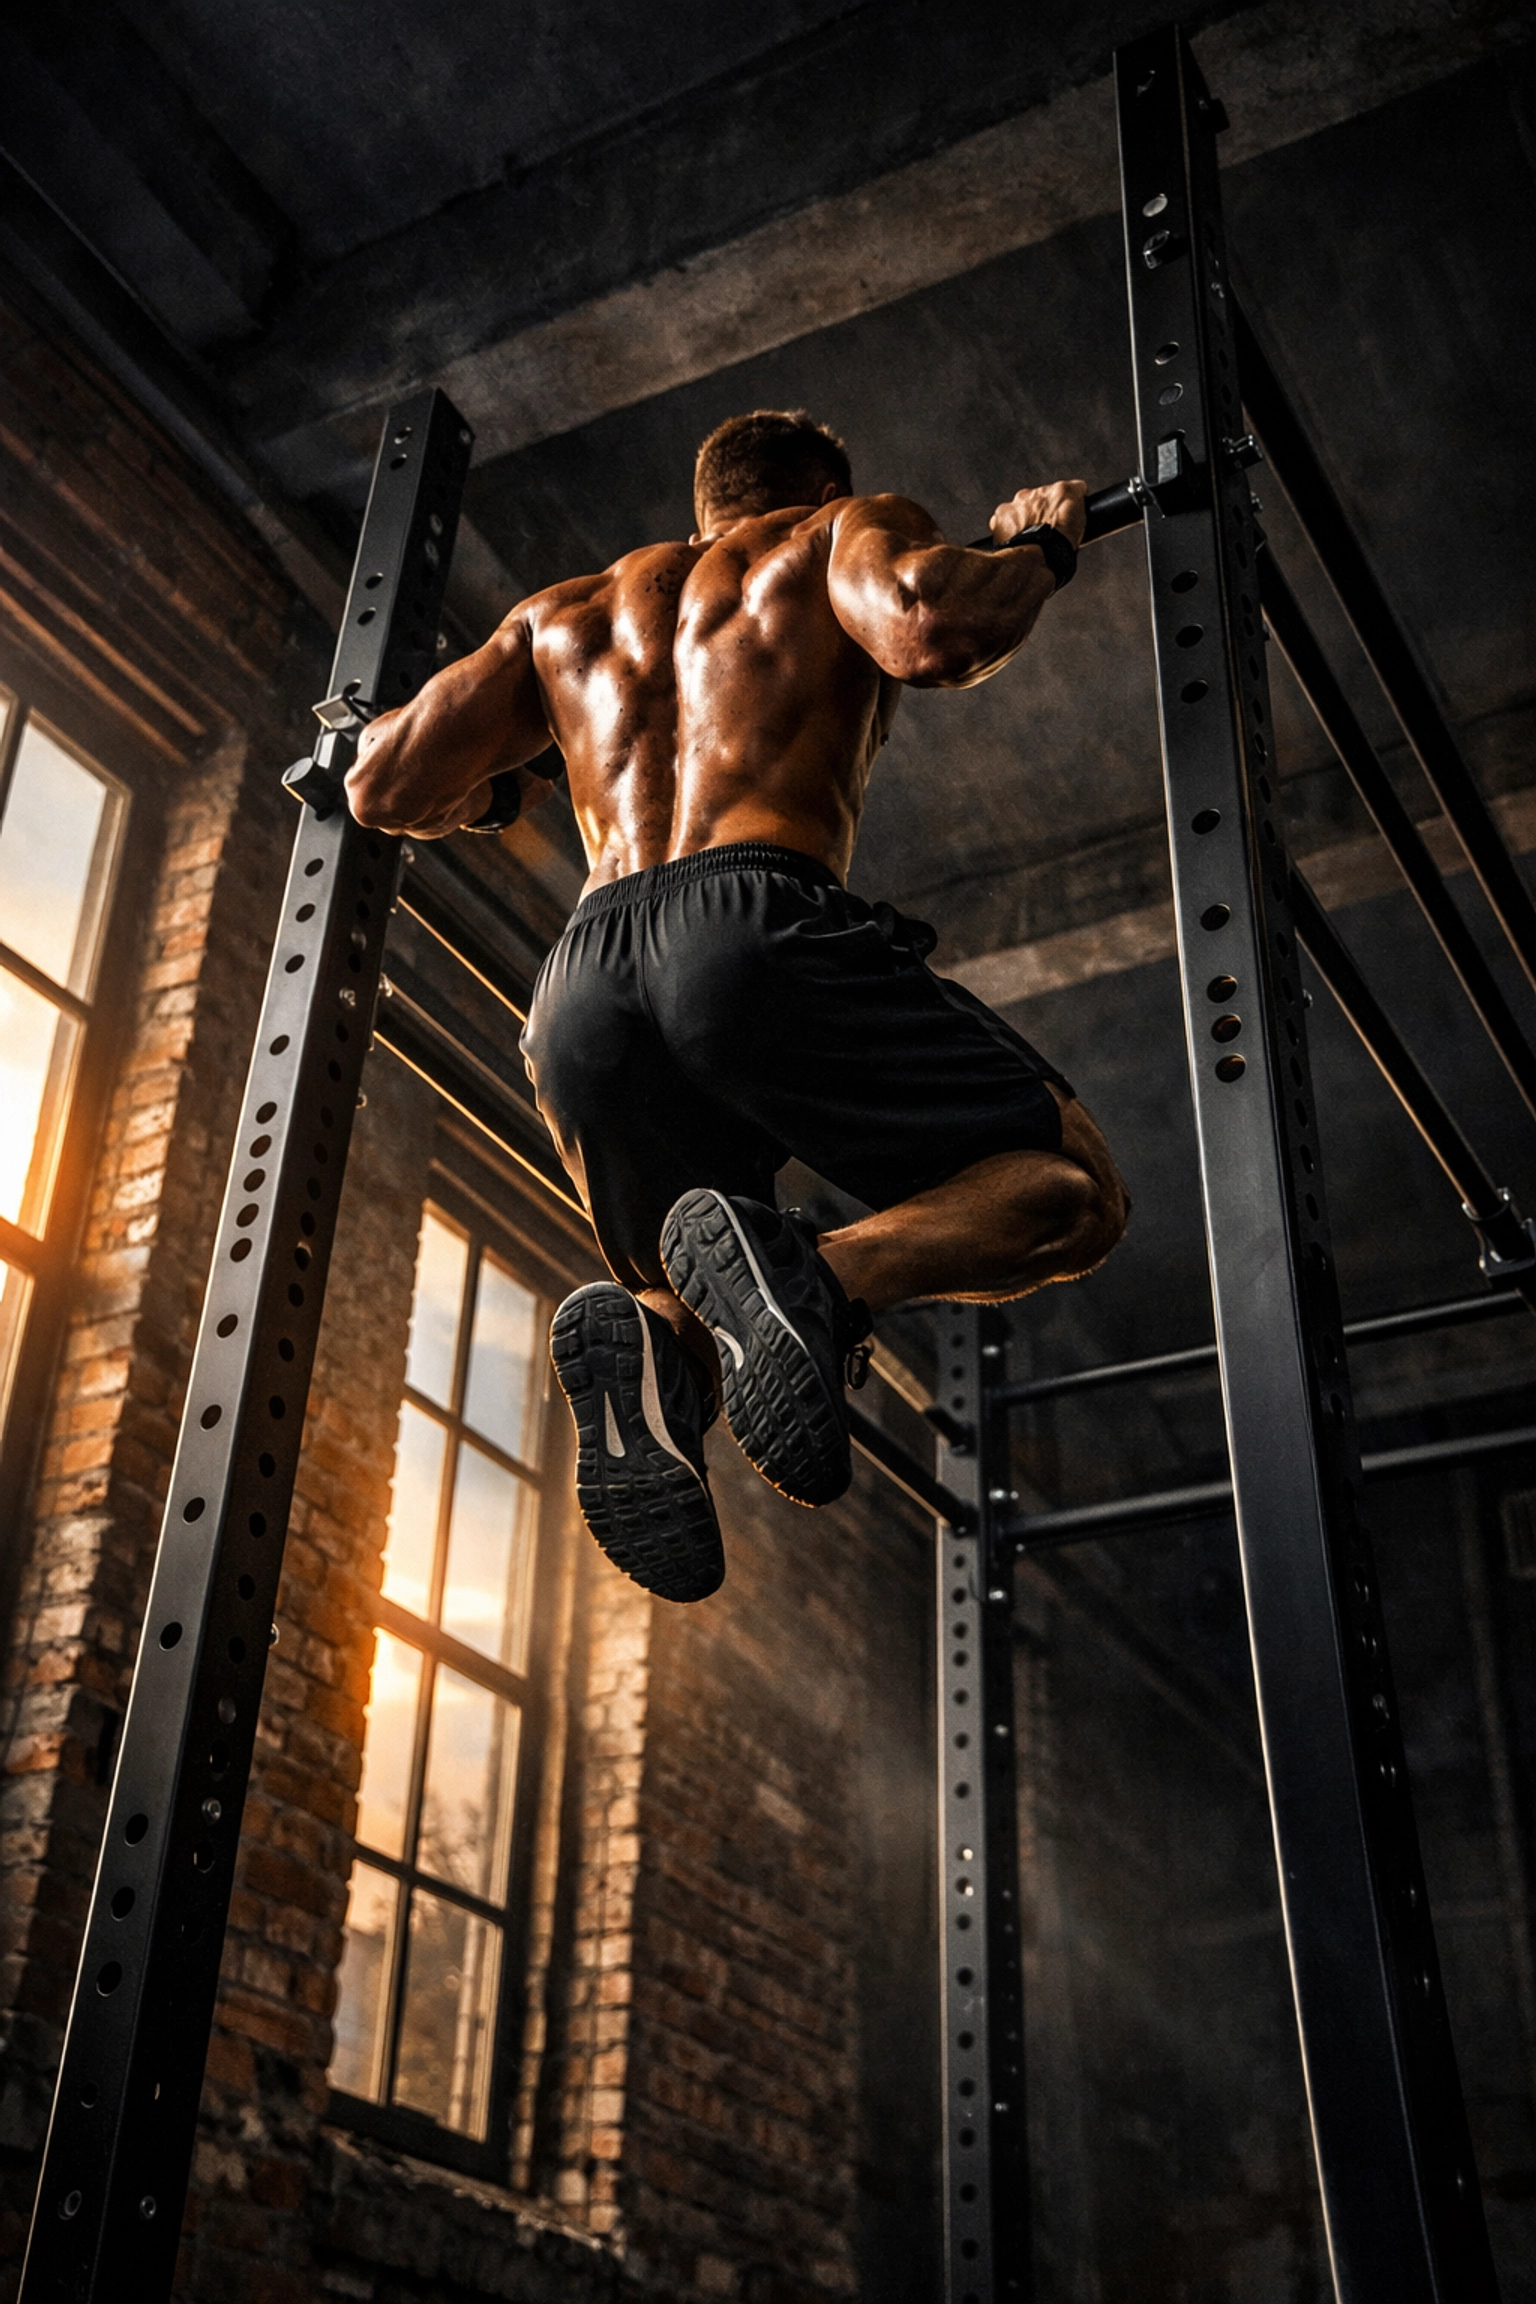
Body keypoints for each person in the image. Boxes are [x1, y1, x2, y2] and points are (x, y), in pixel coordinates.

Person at [347, 410, 1130, 1603]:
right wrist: (1041, 547)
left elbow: (382, 780)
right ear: (824, 485)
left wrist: (495, 790)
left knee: (671, 1301)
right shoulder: (834, 535)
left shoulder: (562, 616)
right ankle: (822, 1274)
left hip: (580, 993)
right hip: (746, 930)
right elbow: (928, 622)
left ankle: (664, 1348)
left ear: (703, 503)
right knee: (1073, 1193)